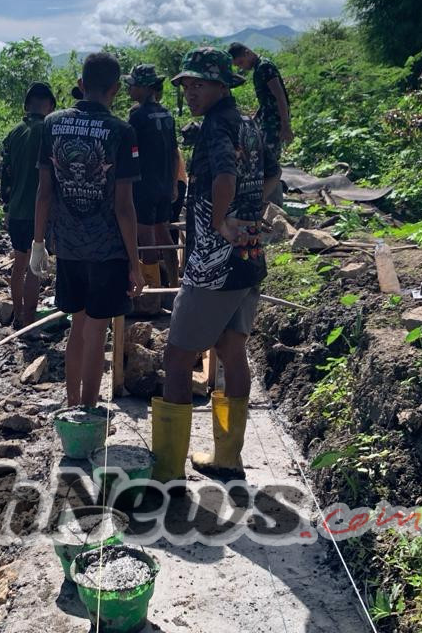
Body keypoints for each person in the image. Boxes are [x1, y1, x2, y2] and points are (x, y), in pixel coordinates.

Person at [153, 47, 281, 482]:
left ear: (221, 86)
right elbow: (273, 175)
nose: (190, 91)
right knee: (231, 351)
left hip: (214, 265)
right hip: (249, 258)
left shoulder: (215, 127)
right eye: (186, 84)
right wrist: (248, 213)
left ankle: (167, 471)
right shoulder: (249, 124)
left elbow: (224, 176)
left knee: (176, 359)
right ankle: (227, 457)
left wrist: (222, 222)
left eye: (199, 84)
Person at [32, 53, 144, 409]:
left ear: (81, 85)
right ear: (115, 89)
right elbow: (124, 207)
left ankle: (70, 404)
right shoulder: (121, 132)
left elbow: (44, 191)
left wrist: (38, 243)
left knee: (76, 327)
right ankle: (89, 410)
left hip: (67, 247)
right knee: (98, 330)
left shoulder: (51, 124)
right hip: (107, 249)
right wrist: (135, 262)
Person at [0, 82, 56, 328]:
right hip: (40, 213)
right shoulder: (51, 131)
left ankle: (19, 315)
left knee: (19, 263)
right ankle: (30, 322)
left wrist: (7, 207)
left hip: (17, 211)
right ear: (51, 106)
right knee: (35, 267)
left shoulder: (13, 134)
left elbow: (6, 177)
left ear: (26, 105)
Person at [122, 64, 179, 304]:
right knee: (163, 232)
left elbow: (129, 151)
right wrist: (174, 184)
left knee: (146, 238)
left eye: (132, 85)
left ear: (144, 88)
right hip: (165, 184)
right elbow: (175, 152)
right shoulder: (166, 114)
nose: (129, 88)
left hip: (144, 185)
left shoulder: (138, 116)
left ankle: (152, 295)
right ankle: (175, 285)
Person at [229, 42, 292, 163]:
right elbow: (267, 100)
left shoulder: (264, 67)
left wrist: (285, 125)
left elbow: (279, 96)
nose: (241, 67)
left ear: (247, 53)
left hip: (274, 121)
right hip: (267, 119)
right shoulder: (258, 68)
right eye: (238, 65)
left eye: (241, 62)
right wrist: (255, 117)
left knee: (269, 159)